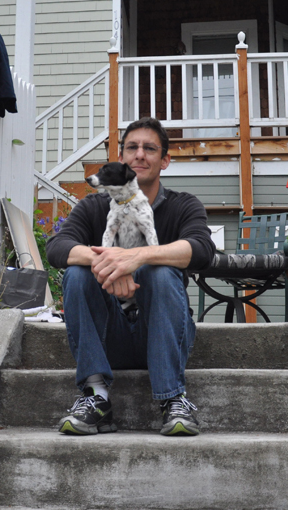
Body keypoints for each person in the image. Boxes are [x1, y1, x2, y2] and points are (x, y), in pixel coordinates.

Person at [46, 117, 215, 436]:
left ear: (164, 160)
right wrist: (109, 263)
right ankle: (96, 398)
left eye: (149, 148)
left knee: (162, 271)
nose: (140, 155)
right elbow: (57, 247)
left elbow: (202, 249)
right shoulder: (95, 206)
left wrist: (135, 258)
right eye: (132, 148)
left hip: (164, 331)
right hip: (111, 335)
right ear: (121, 157)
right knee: (77, 274)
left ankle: (174, 399)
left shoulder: (183, 205)